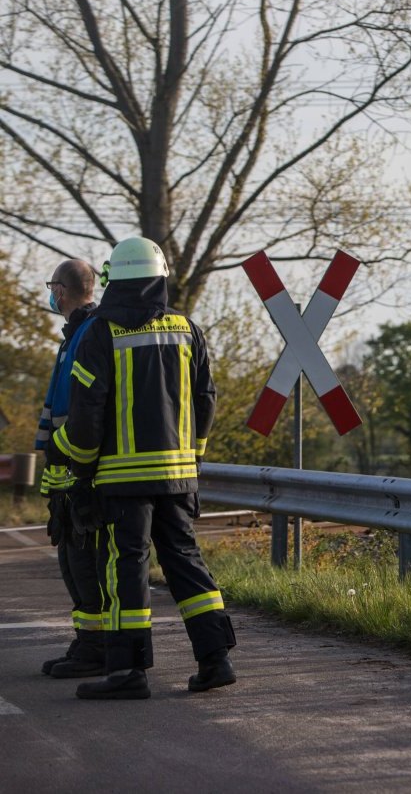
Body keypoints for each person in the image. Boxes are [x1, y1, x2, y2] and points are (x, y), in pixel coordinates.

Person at [53, 236, 236, 700]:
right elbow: (206, 398)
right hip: (177, 476)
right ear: (159, 280)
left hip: (121, 481)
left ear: (115, 281)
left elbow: (87, 413)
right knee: (186, 564)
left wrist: (78, 470)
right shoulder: (186, 329)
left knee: (125, 568)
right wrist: (192, 455)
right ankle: (215, 660)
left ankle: (128, 672)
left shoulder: (99, 333)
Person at [36, 259, 104, 678]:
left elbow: (81, 413)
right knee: (71, 560)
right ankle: (87, 642)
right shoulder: (75, 334)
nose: (50, 293)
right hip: (66, 470)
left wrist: (66, 459)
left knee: (82, 562)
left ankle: (94, 647)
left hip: (80, 471)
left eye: (51, 286)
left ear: (61, 290)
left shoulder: (87, 334)